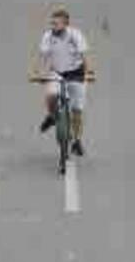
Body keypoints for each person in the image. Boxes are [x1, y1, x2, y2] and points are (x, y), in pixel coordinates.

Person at [37, 8, 93, 157]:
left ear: (65, 24)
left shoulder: (75, 35)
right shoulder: (48, 36)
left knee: (77, 111)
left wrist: (88, 73)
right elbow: (43, 56)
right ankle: (52, 116)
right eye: (52, 23)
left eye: (56, 24)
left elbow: (84, 56)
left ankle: (77, 141)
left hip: (76, 73)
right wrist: (39, 72)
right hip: (57, 73)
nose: (53, 26)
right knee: (50, 95)